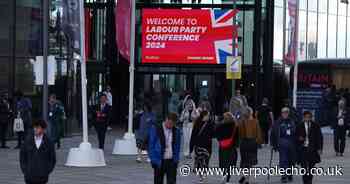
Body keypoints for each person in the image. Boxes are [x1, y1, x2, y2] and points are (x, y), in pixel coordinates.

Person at [148, 113, 181, 184]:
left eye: (173, 124)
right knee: (158, 182)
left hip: (171, 161)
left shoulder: (176, 131)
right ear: (166, 119)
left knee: (172, 181)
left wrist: (176, 160)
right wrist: (154, 160)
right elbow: (151, 145)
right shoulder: (156, 128)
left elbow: (177, 146)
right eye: (170, 123)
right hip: (159, 161)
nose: (171, 126)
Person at [20, 120, 56, 184]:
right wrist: (25, 170)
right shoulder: (27, 140)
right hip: (29, 177)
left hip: (42, 177)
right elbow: (22, 157)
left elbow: (52, 159)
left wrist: (46, 171)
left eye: (38, 127)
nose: (35, 129)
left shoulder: (49, 142)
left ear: (43, 129)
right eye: (34, 127)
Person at [296, 111, 323, 184]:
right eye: (306, 117)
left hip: (312, 149)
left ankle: (310, 180)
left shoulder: (315, 126)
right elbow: (295, 137)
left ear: (311, 118)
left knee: (311, 166)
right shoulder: (299, 126)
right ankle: (305, 181)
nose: (307, 119)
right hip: (303, 149)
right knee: (303, 167)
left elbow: (319, 137)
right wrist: (299, 138)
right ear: (303, 118)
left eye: (309, 117)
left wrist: (320, 148)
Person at [271, 107, 297, 183]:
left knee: (291, 160)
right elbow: (273, 133)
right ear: (281, 113)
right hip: (282, 144)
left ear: (288, 113)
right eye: (283, 112)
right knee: (283, 160)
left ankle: (289, 174)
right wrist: (273, 144)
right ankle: (284, 176)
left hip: (291, 143)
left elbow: (296, 132)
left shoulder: (292, 121)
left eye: (286, 112)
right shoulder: (278, 122)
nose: (285, 114)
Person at [238, 107, 263, 184]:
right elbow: (258, 133)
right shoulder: (255, 122)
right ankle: (247, 179)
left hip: (244, 143)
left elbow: (240, 133)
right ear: (251, 113)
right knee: (250, 163)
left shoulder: (242, 121)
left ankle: (243, 176)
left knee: (244, 161)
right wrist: (259, 143)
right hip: (252, 143)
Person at [190, 110, 214, 183]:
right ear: (204, 116)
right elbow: (193, 135)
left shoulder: (208, 124)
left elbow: (212, 134)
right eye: (207, 115)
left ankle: (203, 176)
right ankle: (202, 176)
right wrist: (191, 147)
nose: (208, 117)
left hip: (203, 146)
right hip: (202, 146)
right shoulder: (201, 123)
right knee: (202, 162)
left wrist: (191, 147)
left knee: (203, 162)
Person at [215, 112, 239, 184]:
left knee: (223, 162)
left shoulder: (220, 126)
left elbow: (217, 135)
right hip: (232, 147)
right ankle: (228, 179)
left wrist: (221, 141)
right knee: (231, 163)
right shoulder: (235, 126)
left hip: (222, 147)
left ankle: (223, 176)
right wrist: (236, 145)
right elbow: (237, 137)